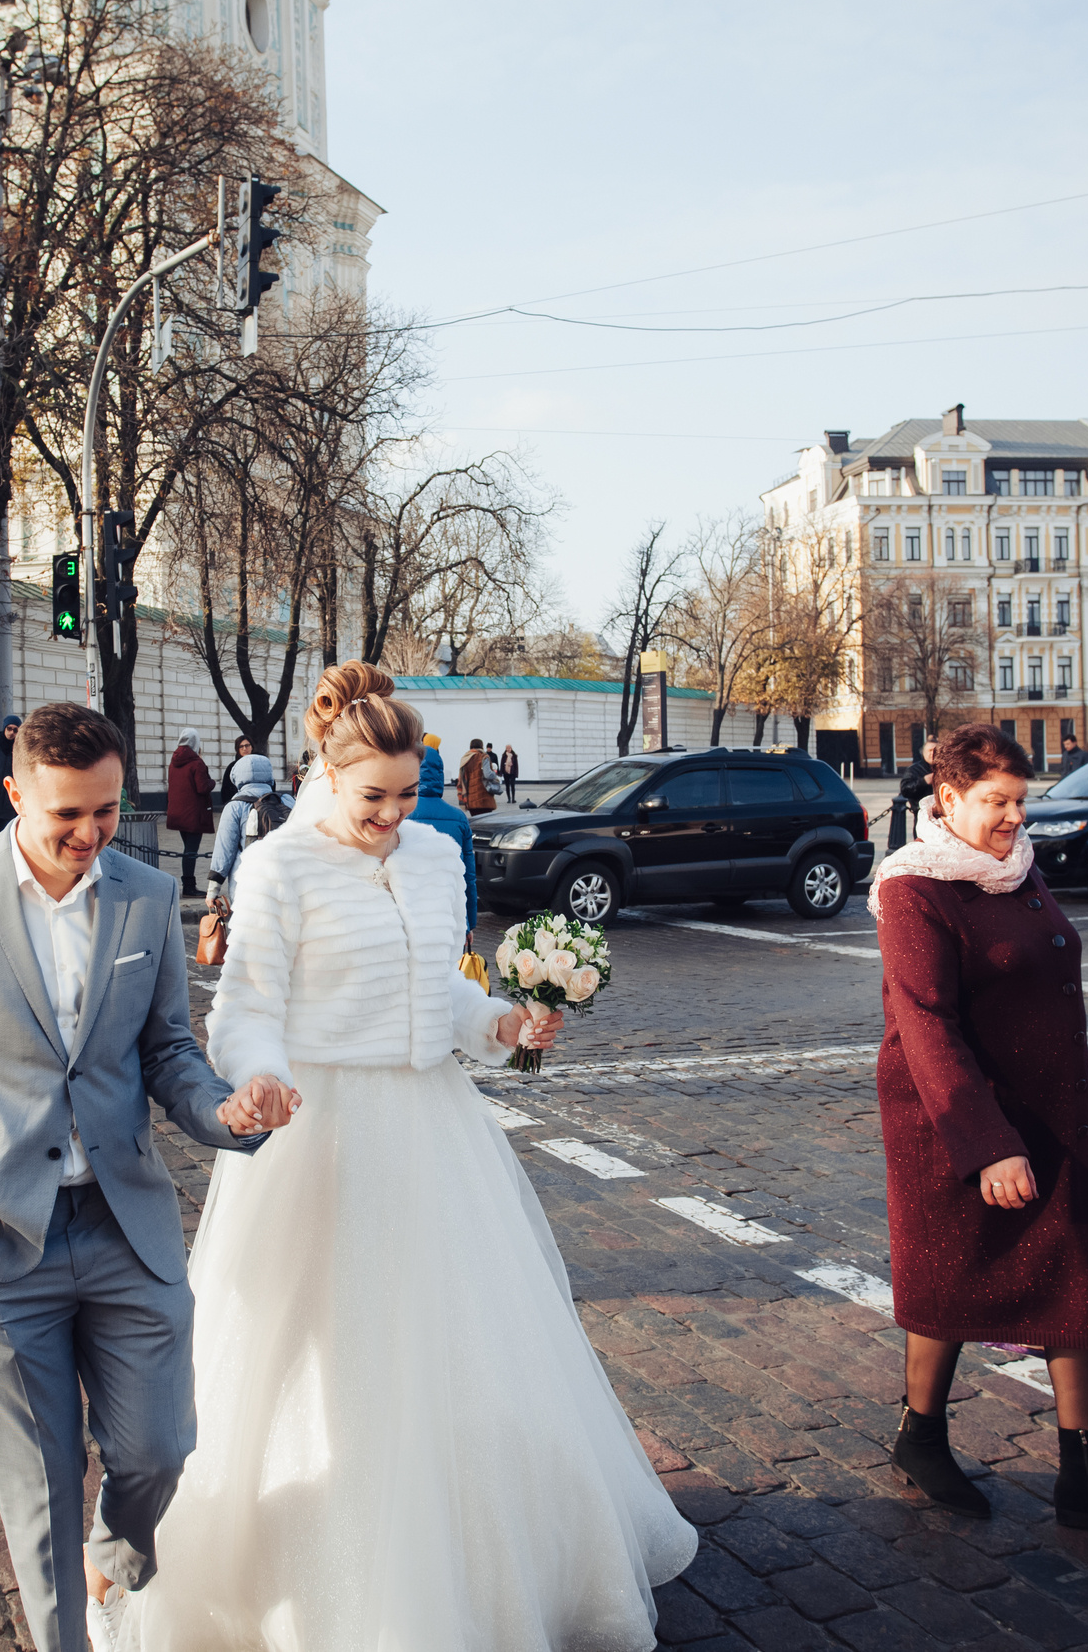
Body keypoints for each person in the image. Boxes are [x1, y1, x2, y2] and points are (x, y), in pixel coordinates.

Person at [119, 662, 696, 1649]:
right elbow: (246, 1009)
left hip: (434, 1126)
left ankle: (481, 1562)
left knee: (463, 1344)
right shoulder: (278, 867)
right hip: (320, 1130)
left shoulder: (435, 857)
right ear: (326, 776)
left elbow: (447, 996)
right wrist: (255, 1080)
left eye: (406, 794)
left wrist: (507, 1022)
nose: (391, 815)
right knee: (325, 1362)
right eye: (370, 796)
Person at [0, 703, 292, 1652]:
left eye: (106, 811)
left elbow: (169, 1049)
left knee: (158, 1449)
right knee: (42, 1488)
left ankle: (118, 1551)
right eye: (68, 815)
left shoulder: (143, 895)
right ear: (15, 793)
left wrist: (222, 1108)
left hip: (123, 1222)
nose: (90, 834)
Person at [867, 723, 1088, 1538]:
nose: (1016, 820)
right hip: (954, 1118)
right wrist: (986, 1143)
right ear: (948, 799)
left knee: (1076, 1278)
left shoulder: (1017, 869)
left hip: (1051, 1112)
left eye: (1023, 802)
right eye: (997, 802)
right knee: (951, 1276)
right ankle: (921, 1434)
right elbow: (926, 1023)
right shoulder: (915, 889)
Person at [413, 731, 479, 942]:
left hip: (413, 915)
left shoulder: (399, 815)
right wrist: (470, 923)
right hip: (452, 917)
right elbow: (468, 876)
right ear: (440, 774)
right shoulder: (458, 818)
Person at [206, 751, 284, 906]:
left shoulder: (235, 807)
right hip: (284, 883)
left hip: (246, 886)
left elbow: (224, 851)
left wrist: (212, 891)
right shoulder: (286, 802)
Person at [165, 730, 213, 896]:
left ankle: (188, 884)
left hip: (178, 813)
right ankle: (189, 886)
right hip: (193, 814)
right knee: (191, 851)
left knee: (188, 849)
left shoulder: (174, 762)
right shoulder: (197, 763)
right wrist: (212, 782)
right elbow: (202, 787)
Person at [456, 736, 497, 814]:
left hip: (471, 798)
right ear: (481, 746)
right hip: (484, 798)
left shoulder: (465, 758)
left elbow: (462, 779)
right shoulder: (483, 756)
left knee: (476, 823)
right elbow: (488, 774)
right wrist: (494, 774)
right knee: (486, 823)